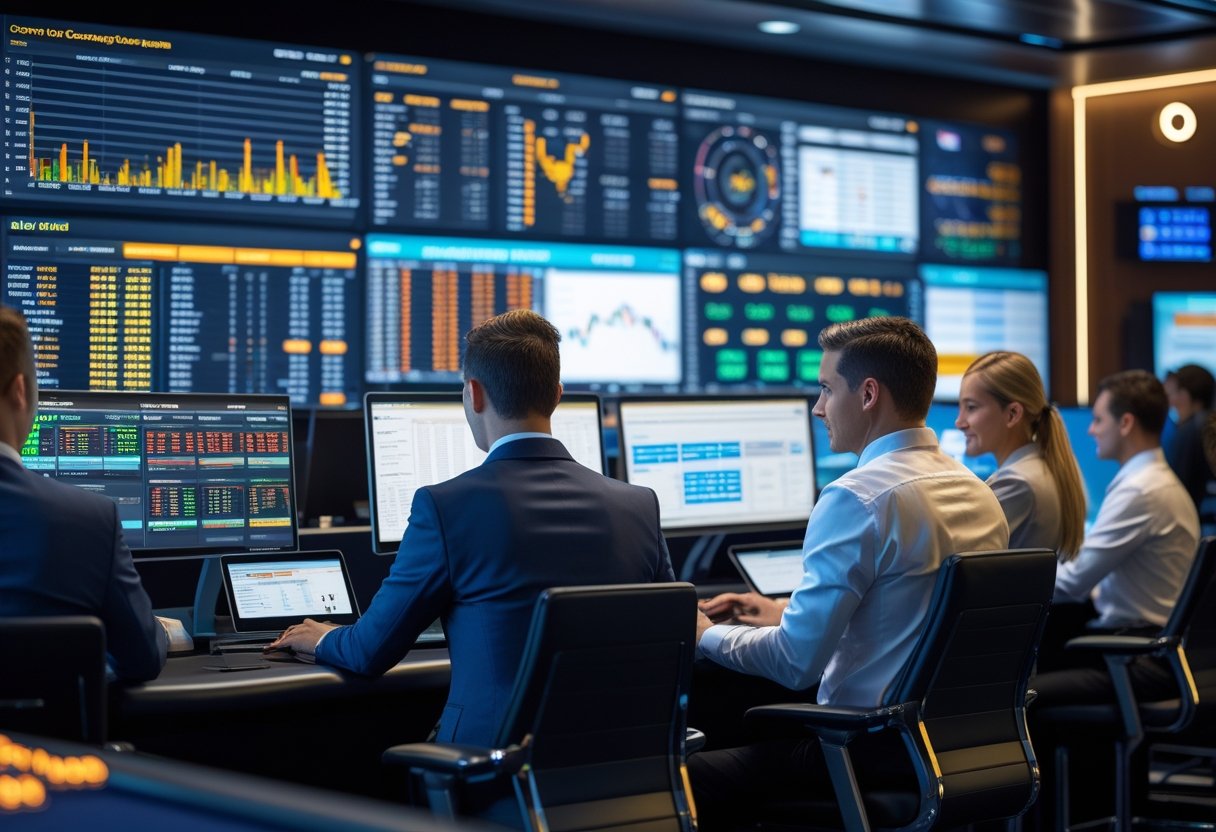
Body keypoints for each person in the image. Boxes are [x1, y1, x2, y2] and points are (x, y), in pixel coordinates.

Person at [269, 309, 674, 748]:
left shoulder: (444, 507)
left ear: (473, 394)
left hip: (492, 768)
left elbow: (369, 652)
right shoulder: (639, 505)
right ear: (557, 396)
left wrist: (323, 638)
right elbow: (677, 634)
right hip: (625, 763)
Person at [690, 317, 1009, 830]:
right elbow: (907, 609)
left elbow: (795, 663)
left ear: (867, 394)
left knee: (680, 779)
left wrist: (707, 635)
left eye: (826, 389)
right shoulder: (979, 493)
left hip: (863, 750)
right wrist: (783, 612)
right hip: (960, 746)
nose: (818, 407)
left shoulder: (855, 498)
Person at [0, 306, 166, 683]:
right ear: (21, 391)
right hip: (46, 724)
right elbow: (142, 658)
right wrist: (160, 627)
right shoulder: (88, 519)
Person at [1036, 369, 1200, 682]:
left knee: (1027, 695)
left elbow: (1073, 583)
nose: (1091, 430)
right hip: (1146, 645)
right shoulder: (1154, 481)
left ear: (1125, 423)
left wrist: (1012, 583)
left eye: (1098, 420)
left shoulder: (1141, 490)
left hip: (1133, 653)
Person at [956, 351, 1086, 560]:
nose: (959, 422)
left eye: (971, 408)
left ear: (1013, 414)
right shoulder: (1044, 466)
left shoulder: (1017, 483)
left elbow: (949, 554)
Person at [1163, 363, 1215, 510]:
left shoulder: (1190, 432)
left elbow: (1179, 486)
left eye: (1171, 394)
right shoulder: (1209, 423)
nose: (1169, 402)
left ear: (1184, 395)